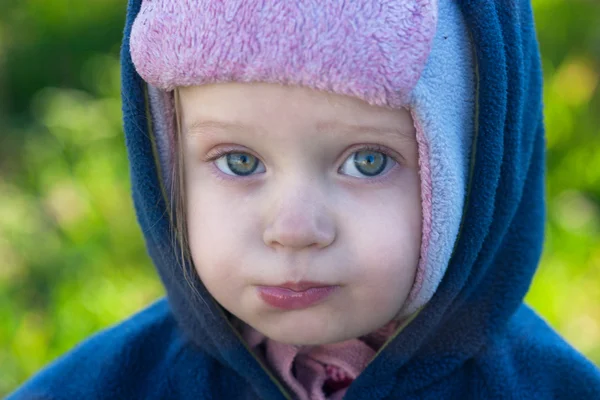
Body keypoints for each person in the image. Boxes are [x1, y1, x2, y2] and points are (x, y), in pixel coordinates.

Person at [8, 0, 600, 399]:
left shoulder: (542, 386)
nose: (292, 228)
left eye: (367, 162)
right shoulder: (120, 383)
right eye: (239, 161)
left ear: (476, 174)